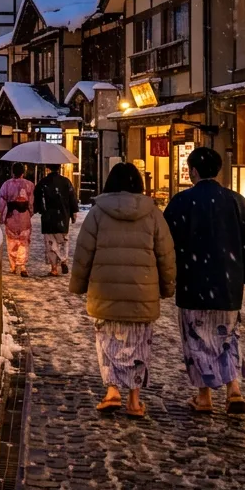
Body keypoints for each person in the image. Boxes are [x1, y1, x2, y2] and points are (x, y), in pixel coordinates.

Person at [163, 147, 245, 415]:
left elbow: (165, 243)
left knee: (197, 338)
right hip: (227, 282)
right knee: (228, 337)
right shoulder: (235, 200)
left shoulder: (181, 201)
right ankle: (233, 389)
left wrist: (165, 272)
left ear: (194, 171)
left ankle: (204, 397)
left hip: (193, 282)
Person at [69, 163, 176, 418]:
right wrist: (167, 287)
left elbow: (84, 254)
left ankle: (112, 391)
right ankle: (134, 400)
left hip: (105, 292)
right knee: (138, 347)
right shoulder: (153, 214)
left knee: (108, 343)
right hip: (142, 293)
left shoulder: (97, 213)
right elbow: (166, 254)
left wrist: (78, 285)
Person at [34, 163, 79, 277]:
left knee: (50, 243)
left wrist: (38, 210)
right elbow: (72, 198)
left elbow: (37, 199)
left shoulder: (42, 183)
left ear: (48, 168)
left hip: (48, 217)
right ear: (59, 168)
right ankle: (64, 259)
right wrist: (74, 213)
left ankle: (54, 268)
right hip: (63, 215)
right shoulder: (66, 182)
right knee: (64, 241)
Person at [0, 163, 35, 276]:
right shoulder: (30, 185)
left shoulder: (7, 185)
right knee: (24, 242)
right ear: (23, 172)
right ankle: (22, 265)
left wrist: (2, 215)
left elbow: (1, 202)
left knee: (11, 242)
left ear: (13, 172)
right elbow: (31, 203)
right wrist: (30, 213)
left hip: (11, 216)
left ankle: (13, 265)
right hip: (24, 217)